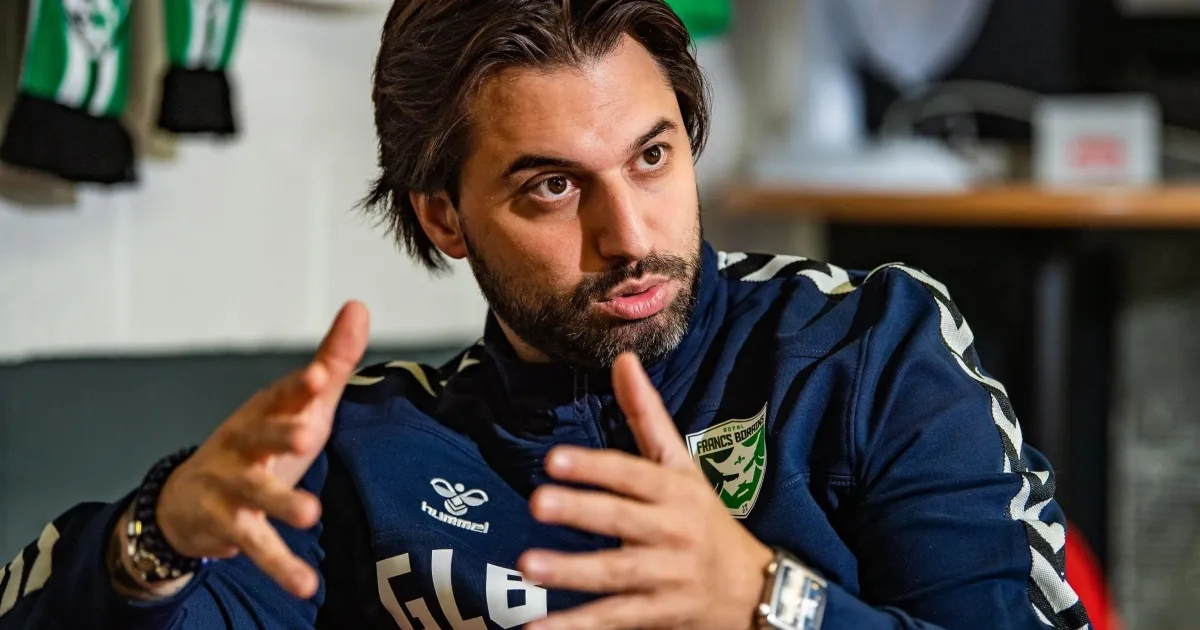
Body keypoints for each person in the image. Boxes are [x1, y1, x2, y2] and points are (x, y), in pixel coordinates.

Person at [0, 1, 1091, 629]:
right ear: (444, 216)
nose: (629, 234)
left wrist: (763, 600)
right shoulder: (366, 453)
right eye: (554, 186)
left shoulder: (866, 350)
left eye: (653, 157)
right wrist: (152, 540)